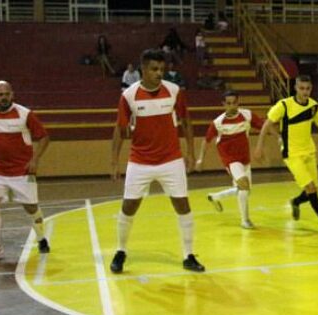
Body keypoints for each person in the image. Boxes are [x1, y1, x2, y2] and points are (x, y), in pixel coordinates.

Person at [109, 49, 204, 274]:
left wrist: (190, 152)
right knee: (129, 206)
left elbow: (186, 122)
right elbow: (120, 129)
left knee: (182, 205)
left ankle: (188, 255)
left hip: (171, 160)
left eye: (161, 69)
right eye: (154, 69)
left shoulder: (174, 91)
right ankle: (121, 250)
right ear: (143, 69)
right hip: (140, 161)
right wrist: (114, 161)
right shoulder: (129, 96)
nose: (159, 73)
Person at [254, 75, 318, 235]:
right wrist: (260, 146)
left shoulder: (314, 106)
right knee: (311, 188)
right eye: (302, 88)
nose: (305, 92)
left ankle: (296, 201)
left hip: (309, 152)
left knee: (312, 191)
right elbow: (267, 124)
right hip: (292, 154)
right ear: (296, 88)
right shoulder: (284, 105)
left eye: (308, 89)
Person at [0, 81, 51, 260]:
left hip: (22, 171)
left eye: (7, 94)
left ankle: (41, 238)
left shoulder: (25, 114)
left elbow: (44, 138)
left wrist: (35, 159)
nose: (4, 97)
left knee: (32, 208)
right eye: (0, 94)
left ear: (12, 94)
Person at [196, 91, 266, 229]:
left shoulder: (247, 115)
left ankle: (215, 197)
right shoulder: (218, 122)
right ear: (223, 104)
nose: (232, 105)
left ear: (238, 102)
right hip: (230, 160)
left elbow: (265, 126)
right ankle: (245, 221)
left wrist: (278, 134)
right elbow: (206, 141)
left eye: (234, 102)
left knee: (244, 189)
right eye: (228, 103)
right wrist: (200, 159)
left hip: (245, 159)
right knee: (244, 185)